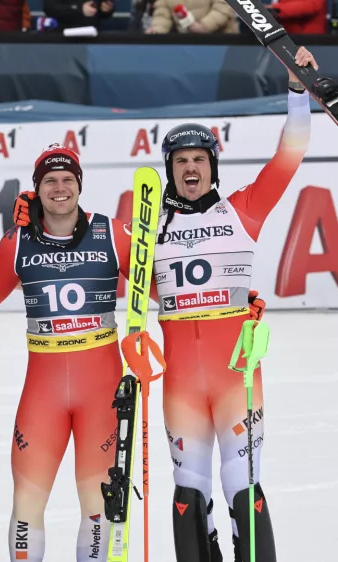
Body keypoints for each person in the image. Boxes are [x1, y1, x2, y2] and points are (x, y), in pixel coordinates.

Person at [154, 47, 316, 562]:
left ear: (213, 165)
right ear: (170, 171)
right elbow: (86, 259)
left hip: (237, 379)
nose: (190, 169)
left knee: (245, 489)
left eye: (199, 159)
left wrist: (295, 91)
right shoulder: (147, 233)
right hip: (180, 384)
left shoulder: (242, 209)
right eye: (180, 162)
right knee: (188, 495)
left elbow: (289, 155)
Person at [0, 145, 132, 562]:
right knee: (27, 506)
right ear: (37, 190)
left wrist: (231, 305)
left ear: (79, 186)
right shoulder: (18, 242)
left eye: (68, 180)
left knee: (97, 506)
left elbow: (160, 291)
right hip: (43, 397)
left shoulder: (112, 233)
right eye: (50, 181)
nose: (60, 188)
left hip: (102, 394)